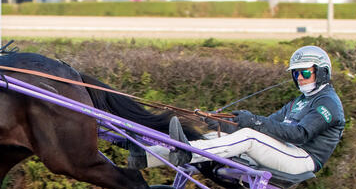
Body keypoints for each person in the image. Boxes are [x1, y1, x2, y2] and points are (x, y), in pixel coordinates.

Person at [142, 45, 345, 175]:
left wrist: (252, 121)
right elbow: (267, 126)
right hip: (285, 151)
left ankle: (188, 154)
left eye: (305, 72)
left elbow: (299, 135)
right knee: (214, 135)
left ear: (322, 73)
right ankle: (145, 156)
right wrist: (222, 124)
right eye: (295, 73)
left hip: (302, 158)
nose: (299, 78)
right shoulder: (298, 101)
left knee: (249, 136)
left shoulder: (327, 103)